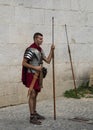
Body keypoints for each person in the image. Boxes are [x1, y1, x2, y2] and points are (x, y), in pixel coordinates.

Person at [22, 32, 55, 125]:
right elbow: (24, 63)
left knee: (35, 94)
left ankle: (35, 112)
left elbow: (48, 60)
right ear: (35, 39)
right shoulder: (30, 50)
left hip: (39, 75)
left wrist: (51, 50)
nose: (42, 40)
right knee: (32, 94)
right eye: (40, 39)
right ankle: (32, 116)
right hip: (31, 74)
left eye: (42, 38)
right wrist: (35, 67)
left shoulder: (40, 50)